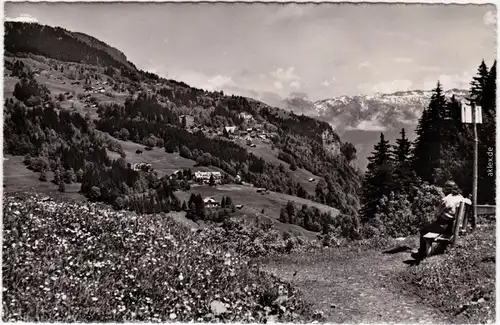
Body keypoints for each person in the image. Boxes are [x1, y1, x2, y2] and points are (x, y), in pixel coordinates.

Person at [411, 180, 465, 261]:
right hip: (453, 226)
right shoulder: (461, 198)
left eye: (445, 188)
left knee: (423, 230)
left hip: (444, 227)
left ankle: (421, 253)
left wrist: (435, 221)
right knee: (430, 226)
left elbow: (437, 213)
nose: (443, 189)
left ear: (447, 189)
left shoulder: (446, 200)